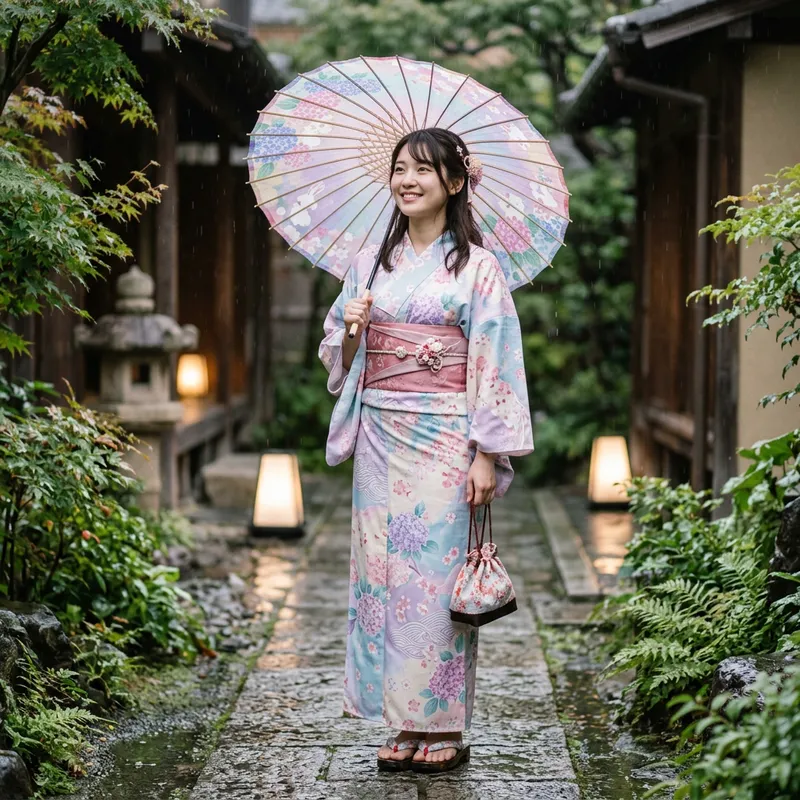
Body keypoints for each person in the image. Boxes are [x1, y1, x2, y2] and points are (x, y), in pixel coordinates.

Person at [318, 127, 533, 774]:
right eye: (399, 170)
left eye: (423, 170)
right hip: (380, 437)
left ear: (454, 183)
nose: (407, 181)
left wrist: (486, 455)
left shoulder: (478, 267)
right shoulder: (367, 265)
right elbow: (342, 361)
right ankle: (401, 718)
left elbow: (496, 360)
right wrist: (352, 330)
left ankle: (441, 723)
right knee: (382, 575)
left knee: (435, 581)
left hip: (444, 438)